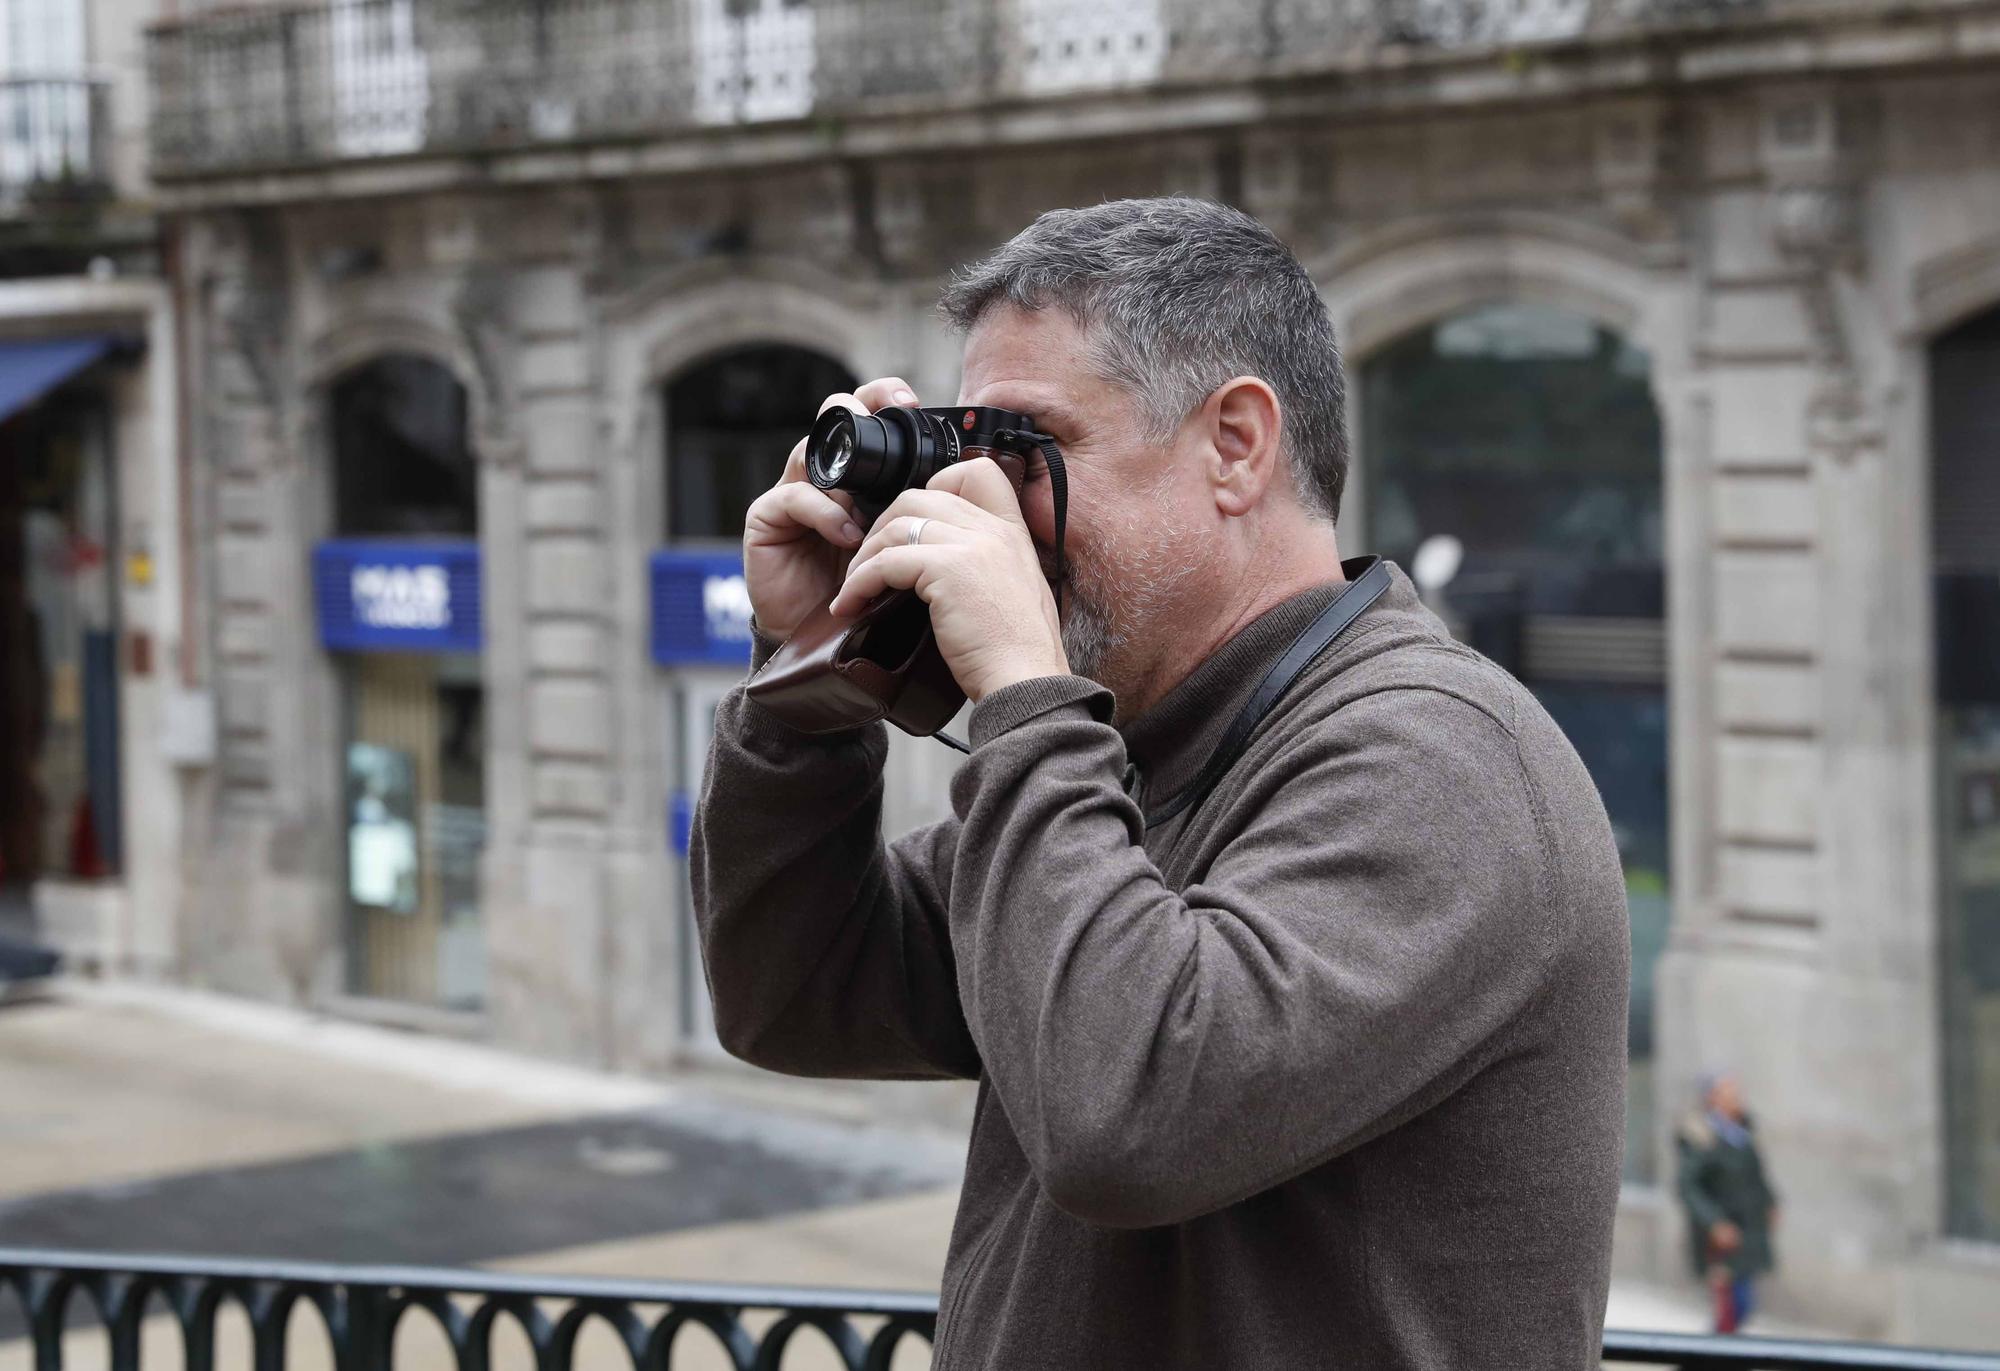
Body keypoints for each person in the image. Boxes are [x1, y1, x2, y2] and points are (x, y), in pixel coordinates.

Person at [691, 197, 1631, 1369]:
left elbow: (1125, 1119)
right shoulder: (1137, 751)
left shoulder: (1439, 758)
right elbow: (798, 994)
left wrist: (1024, 696)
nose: (986, 512)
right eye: (963, 458)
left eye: (1026, 452)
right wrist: (809, 681)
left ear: (1234, 444)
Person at [1677, 1072, 1780, 1333]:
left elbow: (1757, 1176)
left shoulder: (1742, 1132)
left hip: (1748, 1232)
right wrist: (1714, 1222)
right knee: (1731, 1309)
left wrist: (1770, 1202)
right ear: (1713, 1099)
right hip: (1722, 1239)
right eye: (1728, 1093)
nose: (1736, 1099)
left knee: (1740, 1308)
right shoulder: (1702, 1136)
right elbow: (1688, 1186)